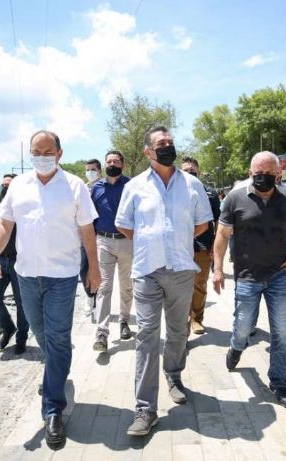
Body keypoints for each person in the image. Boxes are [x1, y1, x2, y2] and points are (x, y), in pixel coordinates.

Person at [0, 130, 99, 449]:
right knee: (41, 333)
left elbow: (87, 230)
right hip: (27, 276)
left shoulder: (74, 186)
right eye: (36, 151)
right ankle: (57, 373)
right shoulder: (19, 186)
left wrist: (95, 268)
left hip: (62, 277)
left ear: (59, 154)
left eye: (48, 151)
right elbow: (5, 224)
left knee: (58, 337)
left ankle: (53, 410)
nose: (41, 156)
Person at [115, 126, 213, 436]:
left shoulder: (192, 184)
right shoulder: (135, 187)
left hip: (182, 270)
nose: (168, 146)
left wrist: (175, 241)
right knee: (146, 335)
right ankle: (145, 408)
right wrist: (152, 241)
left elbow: (200, 225)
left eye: (170, 142)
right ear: (147, 152)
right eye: (161, 143)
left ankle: (174, 375)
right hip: (147, 270)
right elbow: (126, 227)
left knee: (176, 331)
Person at [212, 152, 286, 409]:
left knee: (282, 332)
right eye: (257, 174)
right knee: (242, 327)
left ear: (278, 173)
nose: (261, 178)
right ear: (250, 172)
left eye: (267, 174)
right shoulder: (235, 197)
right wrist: (217, 269)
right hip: (247, 276)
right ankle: (236, 347)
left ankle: (279, 382)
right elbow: (222, 235)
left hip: (278, 276)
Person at [91, 151, 134, 352]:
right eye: (109, 161)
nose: (112, 164)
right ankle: (101, 333)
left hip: (127, 242)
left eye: (116, 161)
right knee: (104, 287)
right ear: (104, 165)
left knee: (127, 286)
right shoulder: (96, 188)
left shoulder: (131, 186)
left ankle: (124, 321)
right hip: (104, 242)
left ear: (122, 165)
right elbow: (89, 218)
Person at [0, 174, 29, 353]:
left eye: (8, 185)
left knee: (22, 303)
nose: (5, 188)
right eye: (3, 185)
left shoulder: (25, 209)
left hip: (20, 261)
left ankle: (21, 338)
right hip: (0, 262)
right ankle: (8, 328)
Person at [180, 157, 220, 335]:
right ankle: (183, 322)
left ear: (199, 171)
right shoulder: (174, 192)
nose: (190, 172)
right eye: (186, 170)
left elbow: (218, 221)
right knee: (181, 286)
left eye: (193, 170)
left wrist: (216, 247)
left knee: (200, 284)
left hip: (203, 245)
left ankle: (197, 319)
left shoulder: (210, 193)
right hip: (180, 247)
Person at [80, 159, 103, 320]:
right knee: (83, 269)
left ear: (99, 171)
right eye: (87, 170)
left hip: (100, 235)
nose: (90, 172)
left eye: (93, 169)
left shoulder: (103, 187)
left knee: (98, 270)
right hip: (84, 236)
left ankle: (98, 302)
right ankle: (90, 296)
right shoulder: (83, 188)